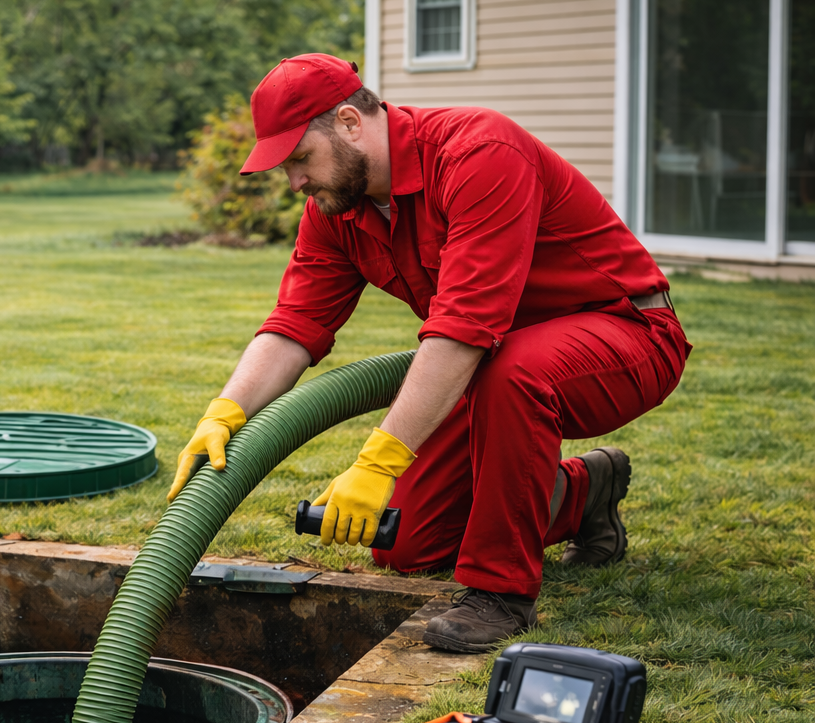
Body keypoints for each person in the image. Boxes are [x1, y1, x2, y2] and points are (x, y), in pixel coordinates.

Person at [166, 54, 689, 653]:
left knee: (515, 373)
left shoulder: (479, 152)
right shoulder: (339, 211)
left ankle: (501, 595)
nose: (295, 183)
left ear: (349, 122)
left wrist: (379, 460)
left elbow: (464, 327)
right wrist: (226, 410)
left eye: (300, 160)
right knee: (408, 545)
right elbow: (296, 322)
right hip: (492, 360)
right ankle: (581, 495)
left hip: (624, 334)